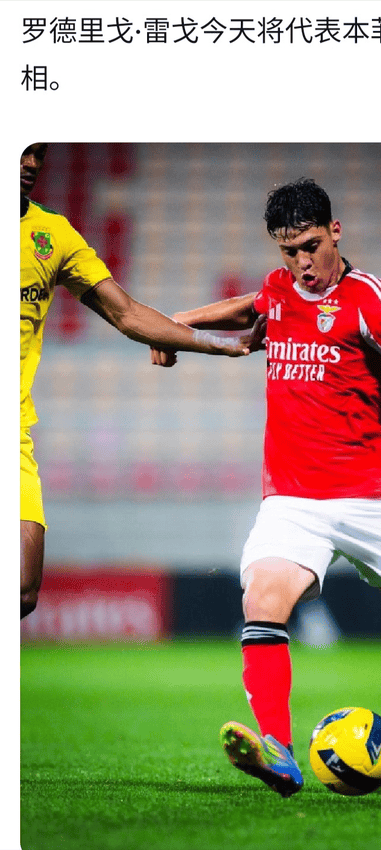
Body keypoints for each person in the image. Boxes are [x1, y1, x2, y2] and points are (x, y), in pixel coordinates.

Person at [153, 178, 381, 798]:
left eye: (311, 246)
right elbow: (254, 307)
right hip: (293, 499)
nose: (302, 263)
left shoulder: (371, 298)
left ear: (336, 232)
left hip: (376, 498)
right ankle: (278, 749)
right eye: (288, 251)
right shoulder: (281, 287)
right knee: (263, 599)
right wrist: (178, 323)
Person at [20, 143, 262, 620]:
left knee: (23, 589)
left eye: (39, 153)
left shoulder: (53, 234)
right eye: (22, 151)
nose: (31, 163)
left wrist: (218, 344)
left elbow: (127, 313)